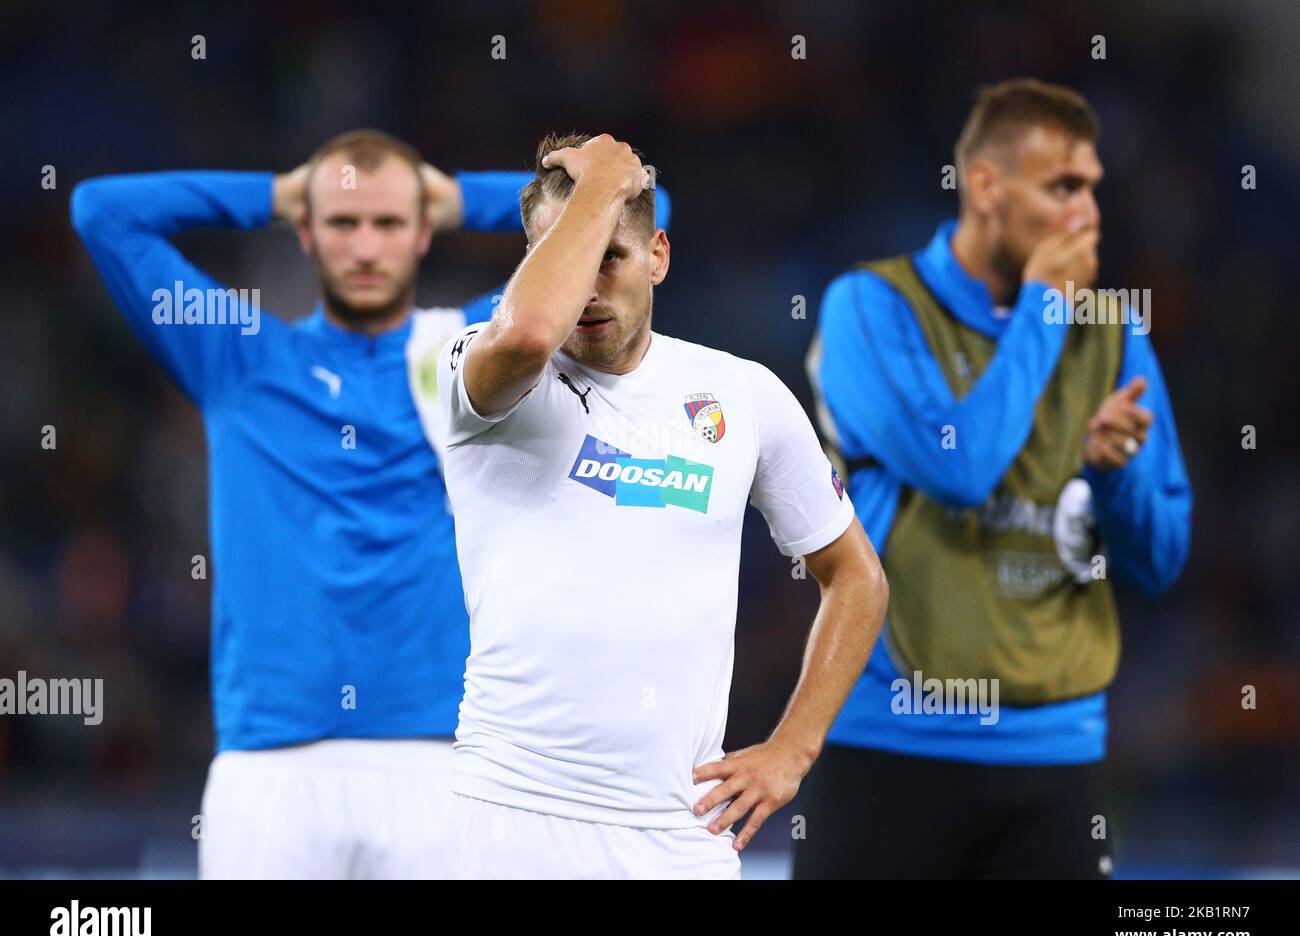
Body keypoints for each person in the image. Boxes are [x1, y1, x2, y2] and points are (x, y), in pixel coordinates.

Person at [70, 127, 670, 878]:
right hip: (270, 766)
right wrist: (280, 192)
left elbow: (637, 212)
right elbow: (101, 212)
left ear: (422, 233)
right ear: (307, 235)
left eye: (389, 222)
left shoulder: (475, 354)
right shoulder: (238, 358)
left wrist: (448, 196)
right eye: (341, 222)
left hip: (440, 761)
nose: (364, 247)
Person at [426, 132, 889, 879]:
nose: (586, 287)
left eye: (611, 256)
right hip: (509, 822)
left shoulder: (745, 395)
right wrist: (605, 182)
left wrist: (791, 750)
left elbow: (857, 577)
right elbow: (533, 329)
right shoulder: (481, 369)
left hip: (682, 839)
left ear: (658, 257)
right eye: (566, 257)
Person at [796, 79, 1192, 879]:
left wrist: (1112, 479)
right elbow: (959, 465)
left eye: (1093, 188)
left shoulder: (1113, 335)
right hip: (890, 744)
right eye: (1062, 188)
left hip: (1058, 760)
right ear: (985, 187)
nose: (1088, 214)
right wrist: (1046, 306)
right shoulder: (870, 309)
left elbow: (1162, 559)